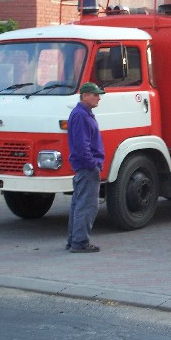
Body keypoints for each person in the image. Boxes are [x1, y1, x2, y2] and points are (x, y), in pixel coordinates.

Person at [66, 82, 106, 253]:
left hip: (83, 167)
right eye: (95, 94)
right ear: (84, 96)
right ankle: (80, 242)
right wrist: (92, 164)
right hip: (87, 168)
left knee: (78, 204)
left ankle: (73, 240)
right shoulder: (82, 115)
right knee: (87, 206)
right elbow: (82, 145)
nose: (98, 98)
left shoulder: (82, 113)